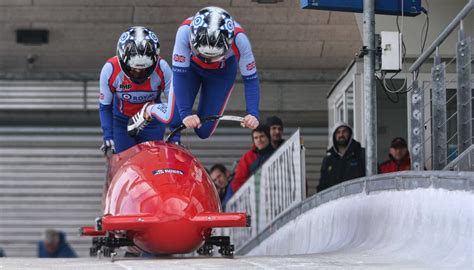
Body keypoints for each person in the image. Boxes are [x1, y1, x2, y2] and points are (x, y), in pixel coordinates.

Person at [127, 6, 260, 143]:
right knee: (174, 118)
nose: (206, 60)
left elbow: (251, 80)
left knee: (204, 131)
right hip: (190, 69)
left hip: (221, 73)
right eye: (202, 55)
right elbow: (180, 76)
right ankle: (149, 109)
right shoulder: (184, 31)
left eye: (211, 57)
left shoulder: (240, 40)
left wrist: (253, 113)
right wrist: (185, 114)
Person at [99, 26, 174, 154]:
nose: (138, 73)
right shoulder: (110, 70)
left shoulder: (163, 69)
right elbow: (105, 106)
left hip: (151, 122)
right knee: (126, 162)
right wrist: (108, 135)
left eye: (144, 68)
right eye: (132, 68)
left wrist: (175, 137)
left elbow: (175, 105)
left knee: (151, 162)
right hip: (122, 123)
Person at [223, 125, 274, 204]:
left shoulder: (278, 152)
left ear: (268, 137)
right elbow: (238, 181)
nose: (259, 140)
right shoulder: (248, 157)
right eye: (256, 138)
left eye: (262, 136)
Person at [318, 123, 365, 192]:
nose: (341, 135)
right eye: (338, 132)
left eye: (344, 131)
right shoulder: (328, 160)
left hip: (357, 199)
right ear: (334, 136)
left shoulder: (362, 154)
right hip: (335, 201)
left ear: (350, 134)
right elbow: (322, 186)